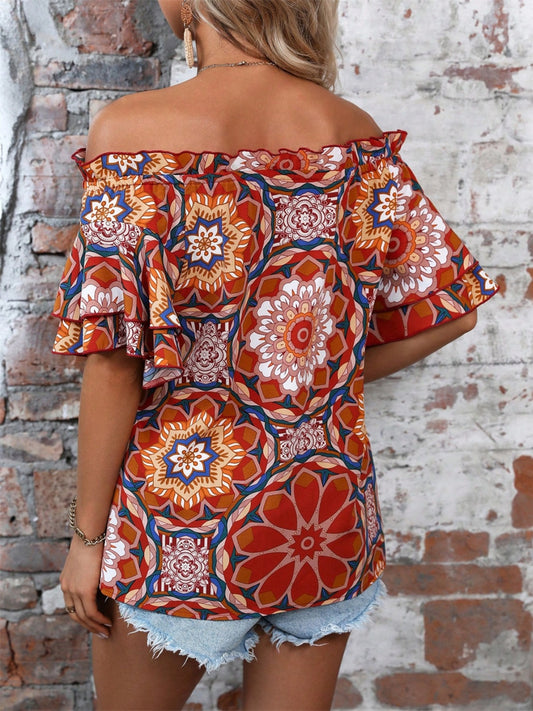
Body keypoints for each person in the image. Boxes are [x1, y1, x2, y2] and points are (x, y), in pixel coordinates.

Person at [53, 1, 499, 709]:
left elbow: (114, 360)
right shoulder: (351, 133)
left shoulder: (131, 133)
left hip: (180, 527)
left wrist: (86, 540)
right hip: (322, 518)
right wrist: (319, 380)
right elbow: (453, 306)